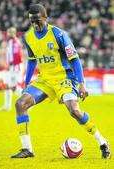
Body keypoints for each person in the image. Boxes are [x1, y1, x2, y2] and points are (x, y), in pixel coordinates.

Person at [11, 4, 111, 159]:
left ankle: (102, 142)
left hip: (65, 79)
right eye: (32, 21)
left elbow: (75, 59)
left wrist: (82, 83)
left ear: (45, 18)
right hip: (45, 79)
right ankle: (27, 149)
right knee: (20, 104)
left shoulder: (58, 34)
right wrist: (26, 84)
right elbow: (32, 61)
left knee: (74, 111)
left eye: (38, 21)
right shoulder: (29, 37)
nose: (35, 25)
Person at [0, 27, 23, 111]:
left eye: (9, 33)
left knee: (13, 87)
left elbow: (18, 55)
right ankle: (7, 106)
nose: (8, 34)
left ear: (13, 33)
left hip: (15, 67)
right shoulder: (10, 42)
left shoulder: (15, 42)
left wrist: (12, 63)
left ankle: (27, 102)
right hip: (11, 67)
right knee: (8, 86)